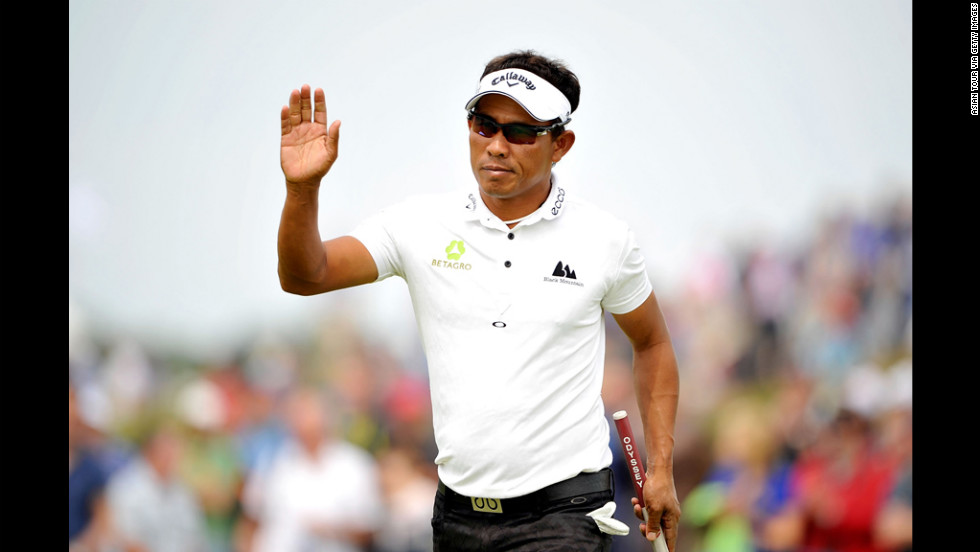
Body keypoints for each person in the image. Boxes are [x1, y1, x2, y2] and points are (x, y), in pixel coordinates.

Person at [276, 50, 681, 552]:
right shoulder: (418, 224)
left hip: (564, 515)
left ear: (561, 144)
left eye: (520, 132)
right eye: (483, 125)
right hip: (458, 516)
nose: (496, 146)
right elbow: (304, 275)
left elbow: (654, 345)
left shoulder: (604, 239)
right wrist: (302, 189)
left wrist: (661, 468)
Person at [240, 386, 383, 552]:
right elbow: (251, 521)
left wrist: (329, 530)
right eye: (294, 413)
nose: (299, 420)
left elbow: (370, 527)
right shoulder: (272, 462)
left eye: (306, 412)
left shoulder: (355, 464)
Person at [103, 420, 209, 552]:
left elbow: (195, 537)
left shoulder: (182, 491)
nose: (174, 455)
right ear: (151, 450)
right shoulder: (126, 488)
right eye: (168, 448)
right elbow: (127, 541)